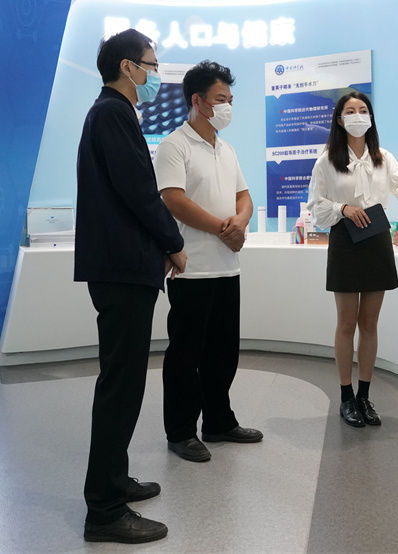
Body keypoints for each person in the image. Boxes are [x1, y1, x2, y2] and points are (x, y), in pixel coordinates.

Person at [74, 28, 188, 544]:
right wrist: (172, 241)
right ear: (128, 66)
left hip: (122, 267)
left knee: (123, 382)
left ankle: (114, 480)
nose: (155, 74)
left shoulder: (112, 114)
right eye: (152, 65)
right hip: (122, 270)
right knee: (121, 387)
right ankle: (104, 511)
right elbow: (140, 192)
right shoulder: (113, 114)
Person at [153, 60, 263, 463]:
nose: (227, 106)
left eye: (230, 99)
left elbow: (244, 196)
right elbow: (173, 199)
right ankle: (181, 431)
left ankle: (218, 422)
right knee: (186, 355)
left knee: (223, 351)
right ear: (197, 101)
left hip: (227, 265)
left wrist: (241, 222)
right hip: (191, 268)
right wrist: (222, 228)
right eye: (221, 99)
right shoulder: (174, 145)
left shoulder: (226, 148)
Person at [306, 91, 398, 427]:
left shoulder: (383, 158)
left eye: (363, 110)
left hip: (376, 239)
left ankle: (364, 395)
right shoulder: (327, 160)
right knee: (346, 322)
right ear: (339, 119)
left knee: (370, 323)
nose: (357, 115)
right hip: (345, 240)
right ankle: (346, 397)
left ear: (371, 117)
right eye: (350, 110)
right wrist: (342, 208)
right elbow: (316, 207)